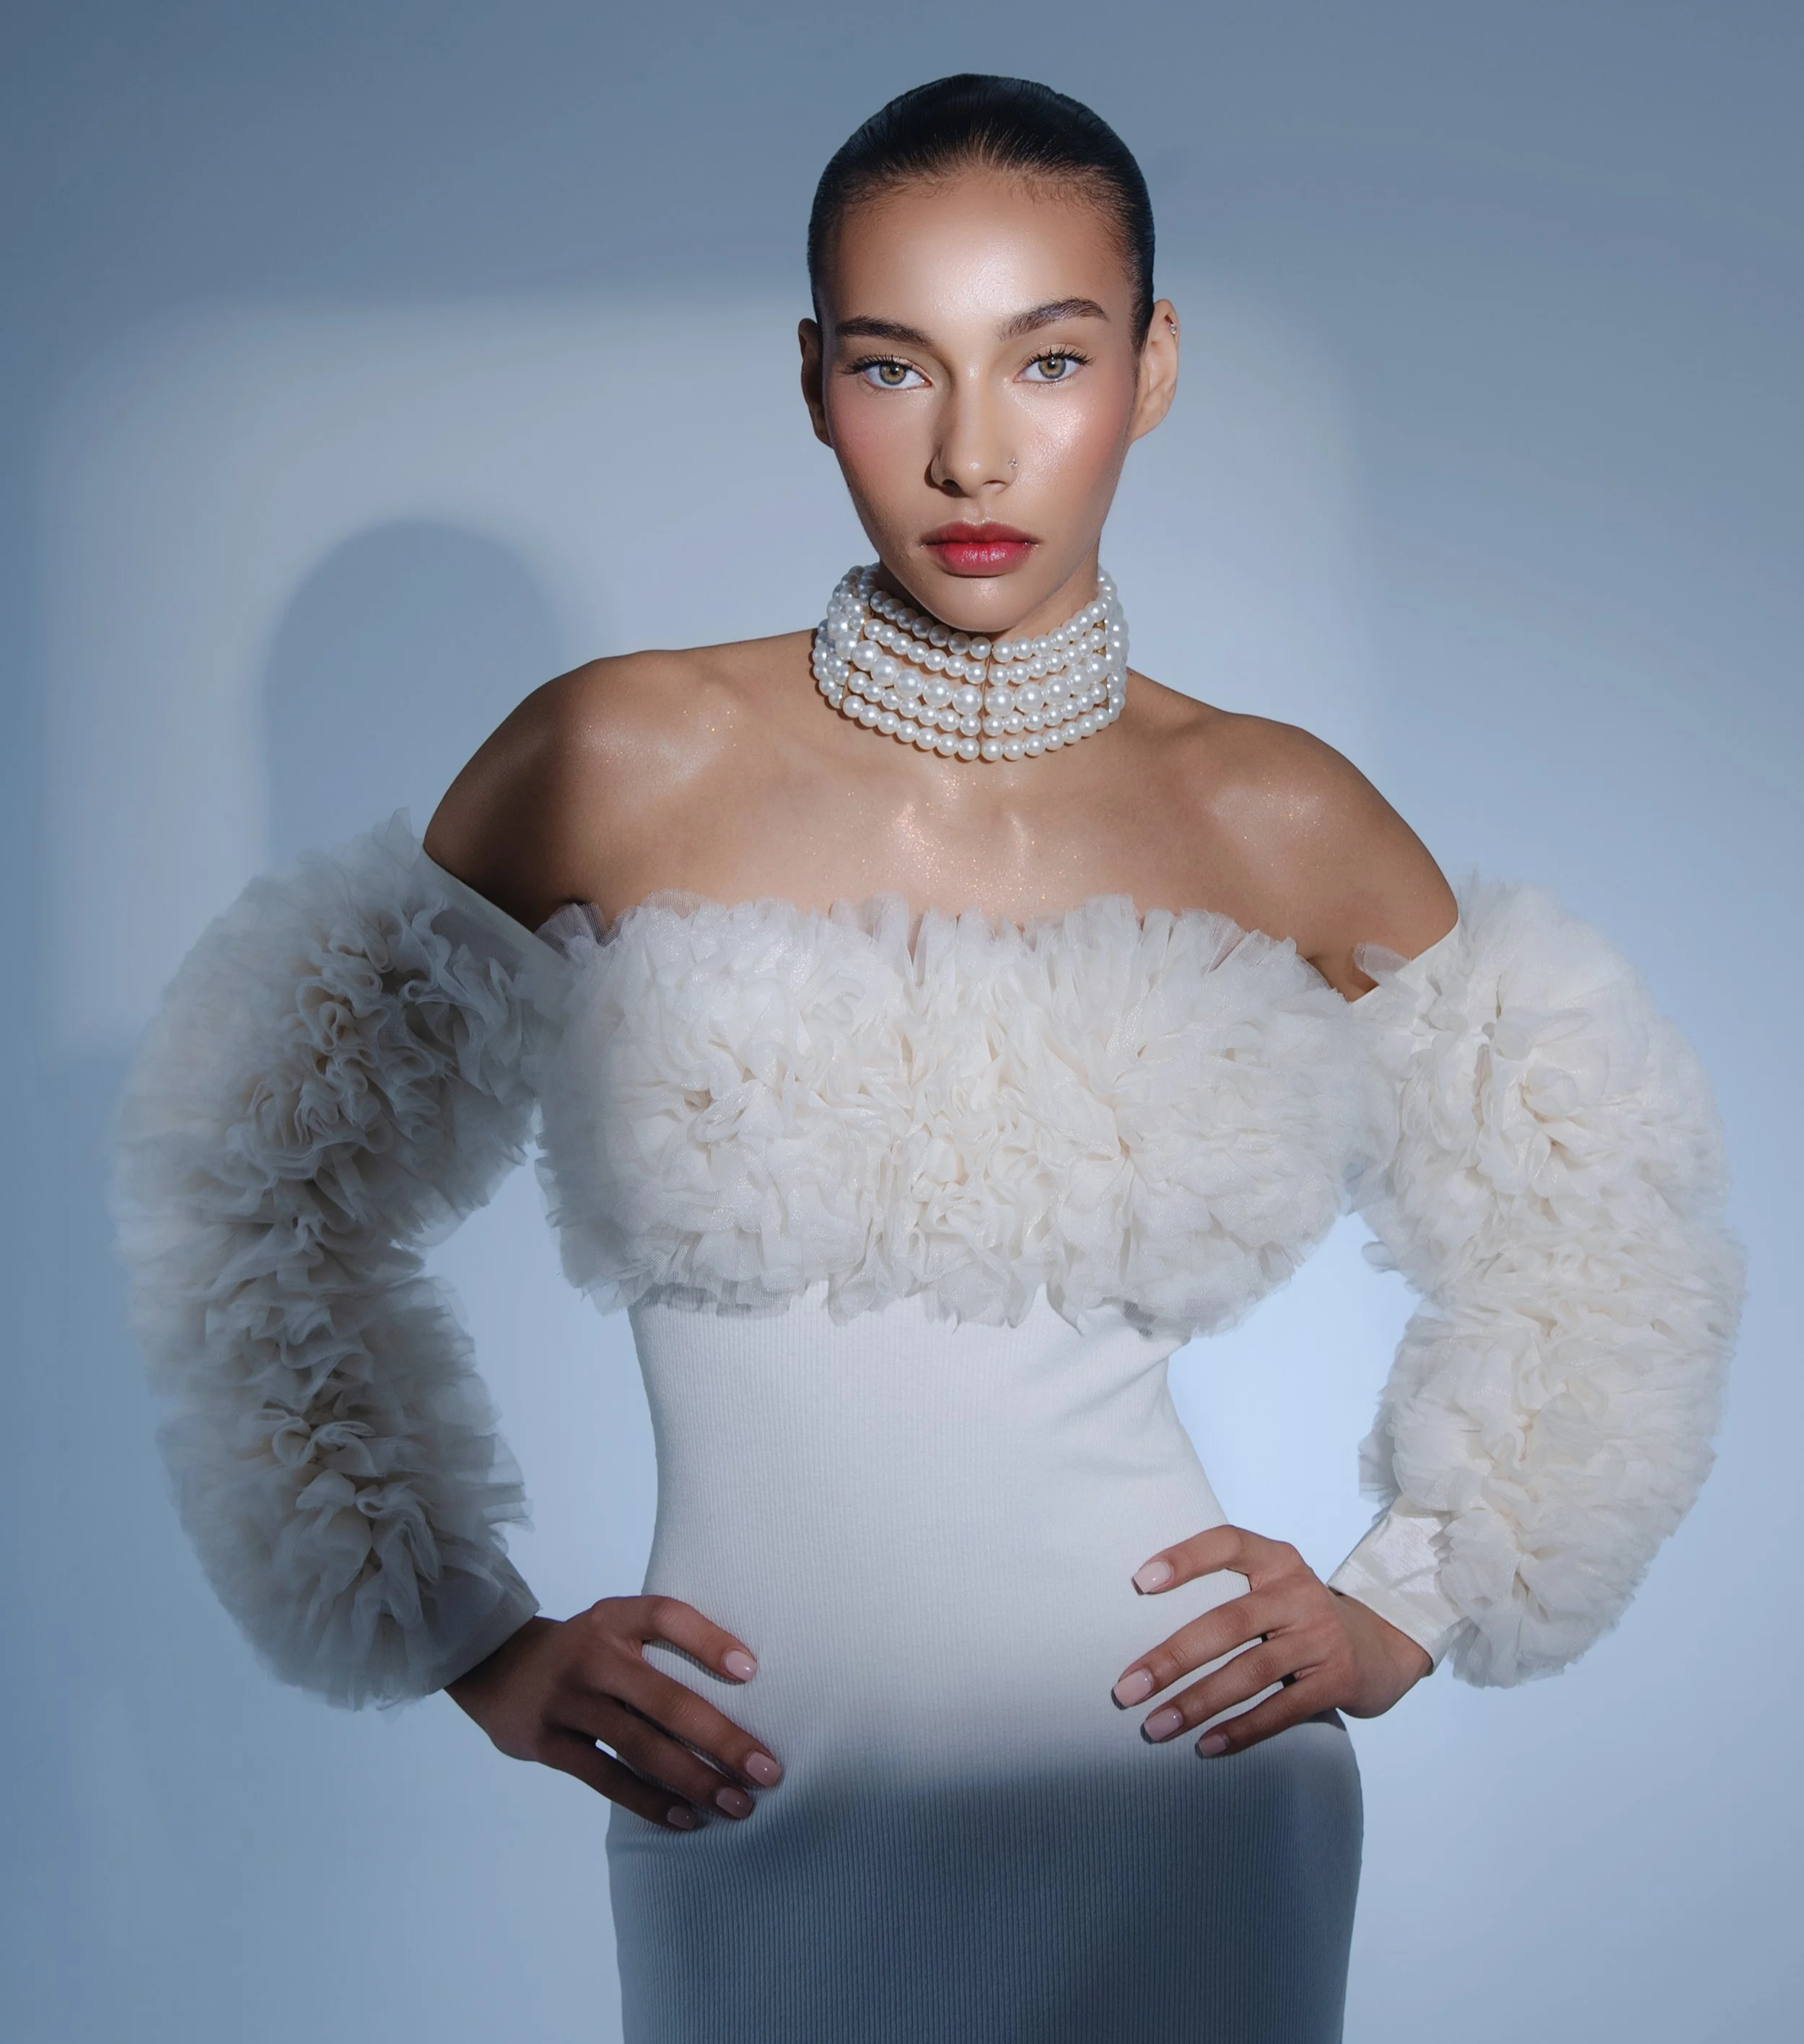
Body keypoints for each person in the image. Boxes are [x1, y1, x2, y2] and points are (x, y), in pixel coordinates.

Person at [113, 74, 1743, 2044]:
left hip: (1176, 1807)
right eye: (897, 367)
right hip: (747, 1804)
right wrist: (463, 1632)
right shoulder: (613, 758)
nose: (973, 451)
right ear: (814, 381)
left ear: (1149, 369)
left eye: (1048, 359)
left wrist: (1415, 1595)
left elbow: (1604, 1226)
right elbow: (249, 1187)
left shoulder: (1272, 813)